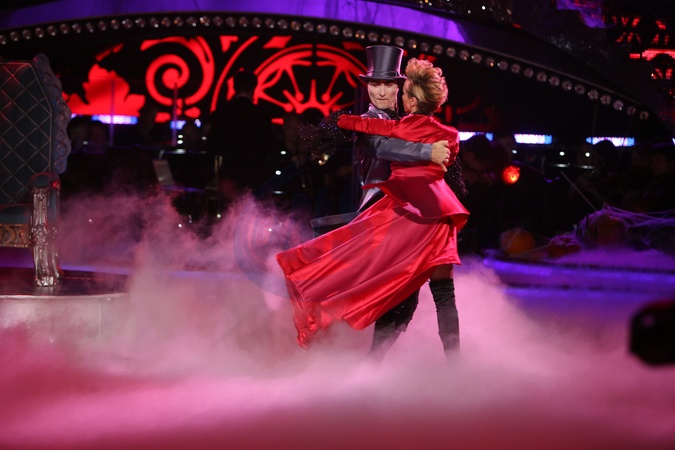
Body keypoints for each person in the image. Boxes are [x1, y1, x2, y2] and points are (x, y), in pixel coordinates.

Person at [276, 58, 468, 357]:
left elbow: (380, 137)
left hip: (404, 215)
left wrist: (341, 120)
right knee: (431, 293)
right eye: (374, 85)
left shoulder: (397, 125)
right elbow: (382, 146)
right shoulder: (445, 134)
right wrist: (429, 151)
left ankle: (374, 360)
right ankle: (451, 363)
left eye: (389, 85)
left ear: (404, 94)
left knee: (400, 291)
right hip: (434, 215)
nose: (381, 92)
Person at [205, 70, 280, 202]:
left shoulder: (221, 114)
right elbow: (270, 148)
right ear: (254, 88)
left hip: (229, 176)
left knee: (230, 211)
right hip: (255, 175)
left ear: (234, 87)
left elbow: (211, 147)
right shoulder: (261, 115)